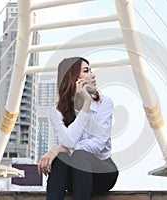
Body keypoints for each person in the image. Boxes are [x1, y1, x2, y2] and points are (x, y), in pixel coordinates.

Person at [38, 57, 119, 200]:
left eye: (91, 70)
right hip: (73, 176)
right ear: (73, 78)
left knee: (79, 155)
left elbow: (99, 143)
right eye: (86, 71)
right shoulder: (56, 111)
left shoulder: (105, 103)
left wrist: (57, 149)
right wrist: (86, 104)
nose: (92, 75)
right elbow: (68, 141)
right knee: (62, 159)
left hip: (102, 172)